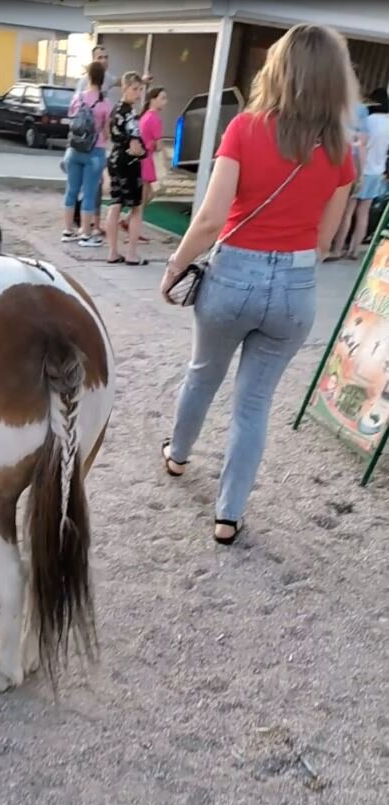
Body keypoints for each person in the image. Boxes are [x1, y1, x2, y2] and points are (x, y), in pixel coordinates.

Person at [160, 24, 356, 545]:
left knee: (203, 374)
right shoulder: (341, 153)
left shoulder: (245, 129)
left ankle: (178, 456)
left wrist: (176, 266)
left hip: (234, 275)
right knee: (254, 403)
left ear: (278, 69)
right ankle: (228, 513)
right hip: (296, 287)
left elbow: (208, 221)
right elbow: (324, 242)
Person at [76, 46, 152, 237]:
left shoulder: (109, 83)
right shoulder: (85, 84)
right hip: (88, 142)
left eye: (106, 56)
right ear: (93, 60)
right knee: (91, 185)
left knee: (103, 188)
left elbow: (122, 82)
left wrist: (141, 80)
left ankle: (93, 223)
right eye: (100, 57)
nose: (104, 60)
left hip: (104, 144)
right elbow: (77, 111)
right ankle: (85, 224)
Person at [328, 87, 389, 260]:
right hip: (377, 172)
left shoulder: (369, 121)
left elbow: (360, 144)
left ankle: (338, 249)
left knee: (347, 212)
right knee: (364, 213)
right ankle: (354, 250)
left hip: (361, 169)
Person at [62, 61, 111, 247]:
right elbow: (106, 133)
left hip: (74, 149)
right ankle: (85, 233)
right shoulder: (105, 103)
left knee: (71, 191)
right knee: (89, 193)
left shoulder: (77, 98)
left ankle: (67, 230)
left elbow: (71, 121)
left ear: (88, 77)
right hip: (95, 151)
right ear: (102, 79)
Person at [106, 72, 148, 266]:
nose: (138, 94)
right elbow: (135, 145)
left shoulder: (116, 110)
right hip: (129, 162)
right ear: (125, 88)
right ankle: (131, 253)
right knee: (136, 207)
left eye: (140, 89)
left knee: (115, 205)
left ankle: (112, 252)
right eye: (135, 89)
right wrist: (142, 153)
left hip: (114, 159)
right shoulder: (129, 113)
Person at [119, 86, 169, 242]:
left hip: (140, 159)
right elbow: (159, 146)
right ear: (153, 99)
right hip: (147, 160)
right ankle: (132, 230)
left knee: (142, 196)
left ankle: (127, 222)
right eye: (162, 98)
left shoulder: (144, 116)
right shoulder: (155, 119)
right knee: (142, 199)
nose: (165, 102)